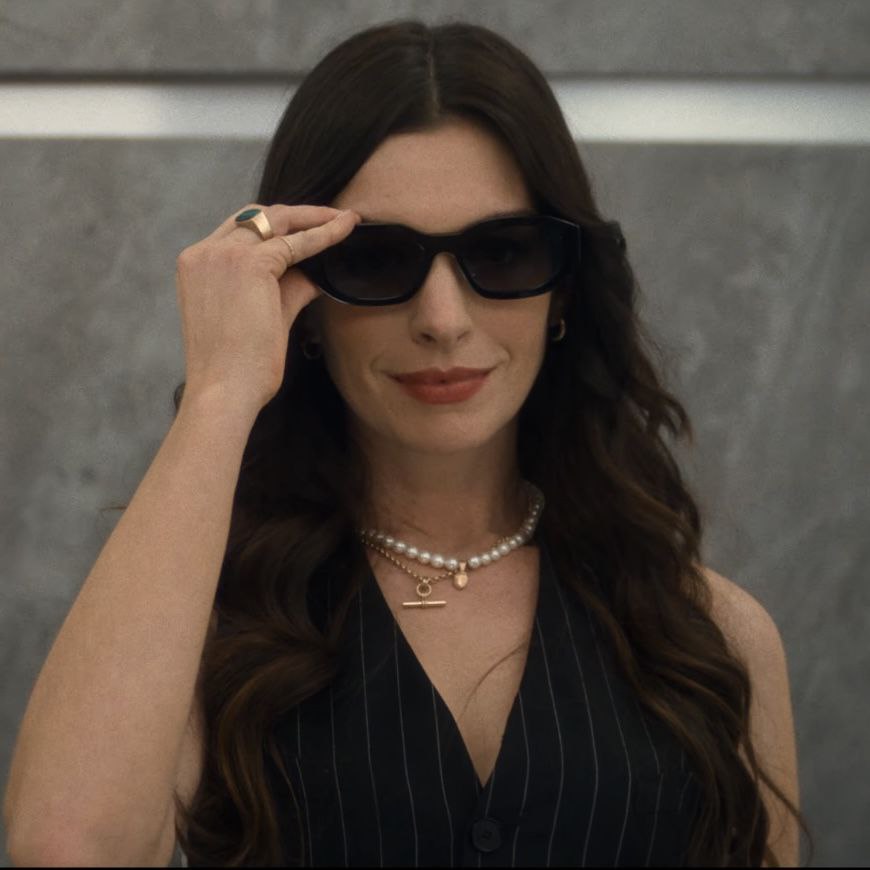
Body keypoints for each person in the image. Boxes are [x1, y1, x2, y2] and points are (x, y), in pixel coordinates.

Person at [3, 19, 811, 869]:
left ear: (566, 290)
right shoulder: (203, 630)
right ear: (303, 298)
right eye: (378, 261)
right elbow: (68, 847)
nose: (442, 320)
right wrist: (219, 392)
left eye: (503, 253)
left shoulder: (709, 638)